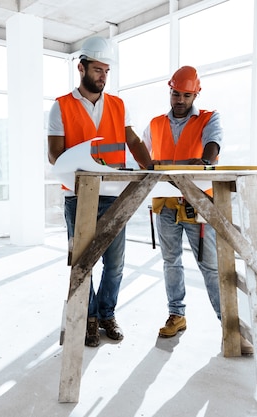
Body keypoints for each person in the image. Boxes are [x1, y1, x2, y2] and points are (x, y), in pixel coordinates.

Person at [47, 36, 153, 347]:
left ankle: (107, 314)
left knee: (116, 263)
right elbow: (54, 154)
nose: (103, 76)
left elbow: (133, 142)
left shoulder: (118, 106)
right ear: (81, 68)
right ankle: (90, 318)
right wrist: (82, 161)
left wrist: (150, 168)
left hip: (114, 195)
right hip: (78, 196)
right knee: (84, 262)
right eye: (97, 69)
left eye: (106, 70)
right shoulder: (61, 107)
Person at [142, 66, 253, 355]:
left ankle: (231, 329)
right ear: (170, 91)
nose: (179, 100)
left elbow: (212, 146)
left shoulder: (208, 118)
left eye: (186, 95)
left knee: (212, 267)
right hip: (166, 203)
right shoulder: (154, 124)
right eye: (175, 93)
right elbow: (142, 156)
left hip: (197, 203)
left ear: (196, 94)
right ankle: (176, 315)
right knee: (171, 262)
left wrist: (205, 160)